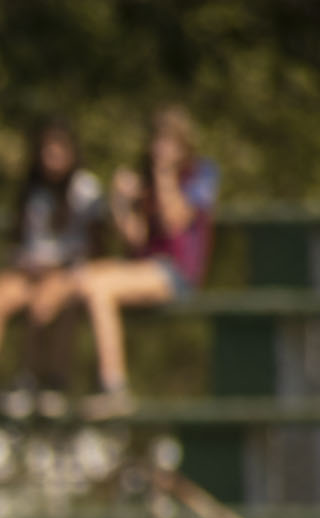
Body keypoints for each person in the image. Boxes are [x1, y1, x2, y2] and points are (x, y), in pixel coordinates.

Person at [71, 104, 220, 420]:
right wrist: (120, 200)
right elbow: (135, 238)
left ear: (183, 145)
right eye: (158, 140)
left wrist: (164, 175)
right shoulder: (145, 178)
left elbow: (175, 222)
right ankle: (51, 384)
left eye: (169, 141)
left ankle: (114, 388)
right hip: (145, 266)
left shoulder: (201, 173)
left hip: (177, 272)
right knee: (81, 277)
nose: (161, 148)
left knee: (98, 287)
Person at [0, 118, 106, 420]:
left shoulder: (86, 190)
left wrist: (59, 268)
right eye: (47, 151)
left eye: (59, 150)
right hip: (28, 271)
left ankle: (38, 381)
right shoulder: (32, 189)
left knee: (44, 304)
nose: (52, 158)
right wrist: (25, 263)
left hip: (68, 272)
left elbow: (96, 246)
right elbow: (18, 240)